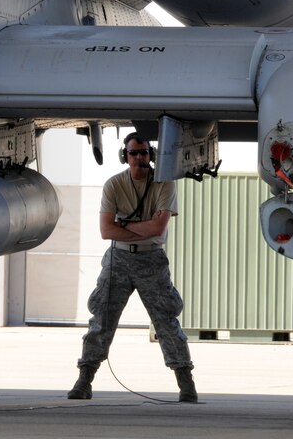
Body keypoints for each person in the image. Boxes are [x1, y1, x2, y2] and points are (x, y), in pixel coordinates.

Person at [67, 133, 197, 402]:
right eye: (134, 153)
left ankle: (186, 382)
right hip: (119, 260)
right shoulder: (113, 185)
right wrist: (141, 228)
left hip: (152, 260)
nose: (140, 158)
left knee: (166, 321)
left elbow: (158, 228)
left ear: (152, 155)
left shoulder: (164, 184)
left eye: (145, 153)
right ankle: (84, 379)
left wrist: (123, 226)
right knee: (101, 320)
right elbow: (106, 231)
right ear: (125, 156)